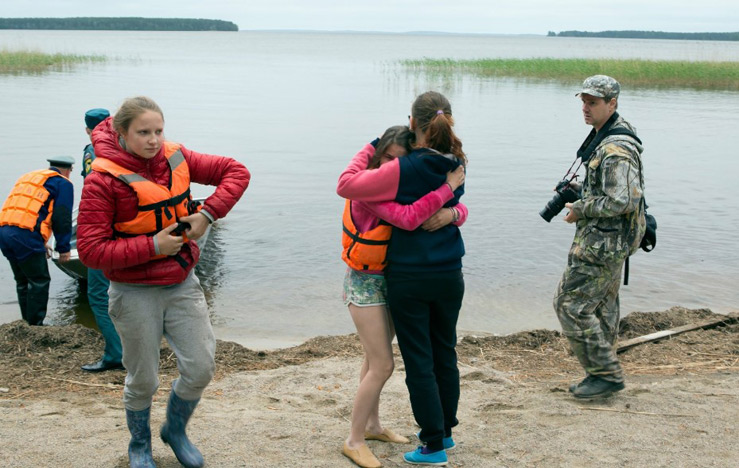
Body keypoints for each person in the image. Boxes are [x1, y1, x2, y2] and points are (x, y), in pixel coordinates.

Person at [76, 96, 250, 468]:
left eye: (158, 130)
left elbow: (237, 172)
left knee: (201, 368)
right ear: (121, 133)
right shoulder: (102, 181)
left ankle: (175, 430)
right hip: (133, 292)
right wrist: (152, 245)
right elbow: (91, 251)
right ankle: (140, 445)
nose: (153, 140)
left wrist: (207, 214)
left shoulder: (177, 156)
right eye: (143, 132)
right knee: (143, 379)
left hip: (182, 282)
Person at [338, 91, 466, 466]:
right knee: (399, 360)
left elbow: (349, 183)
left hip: (405, 278)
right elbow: (426, 212)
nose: (391, 164)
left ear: (413, 125)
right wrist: (450, 202)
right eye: (387, 158)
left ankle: (427, 440)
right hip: (416, 275)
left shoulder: (399, 171)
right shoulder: (455, 164)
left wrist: (454, 212)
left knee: (409, 360)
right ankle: (374, 436)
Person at [554, 75, 646, 399]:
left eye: (593, 102)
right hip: (613, 241)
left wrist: (582, 206)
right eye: (583, 101)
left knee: (569, 304)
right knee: (604, 308)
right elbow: (616, 191)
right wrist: (585, 190)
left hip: (603, 243)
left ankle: (605, 375)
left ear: (612, 103)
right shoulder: (610, 134)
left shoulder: (616, 146)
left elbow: (624, 200)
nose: (585, 107)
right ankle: (602, 378)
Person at [0, 156, 75, 326]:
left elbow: (30, 210)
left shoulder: (30, 177)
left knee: (22, 280)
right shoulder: (63, 183)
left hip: (5, 231)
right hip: (25, 236)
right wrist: (64, 249)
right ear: (68, 170)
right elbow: (61, 217)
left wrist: (40, 241)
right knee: (39, 280)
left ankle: (26, 322)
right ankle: (35, 326)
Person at [79, 107, 124, 373]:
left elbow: (92, 192)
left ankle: (116, 355)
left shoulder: (92, 150)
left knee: (98, 295)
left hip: (105, 232)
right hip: (133, 231)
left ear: (88, 129)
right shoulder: (129, 146)